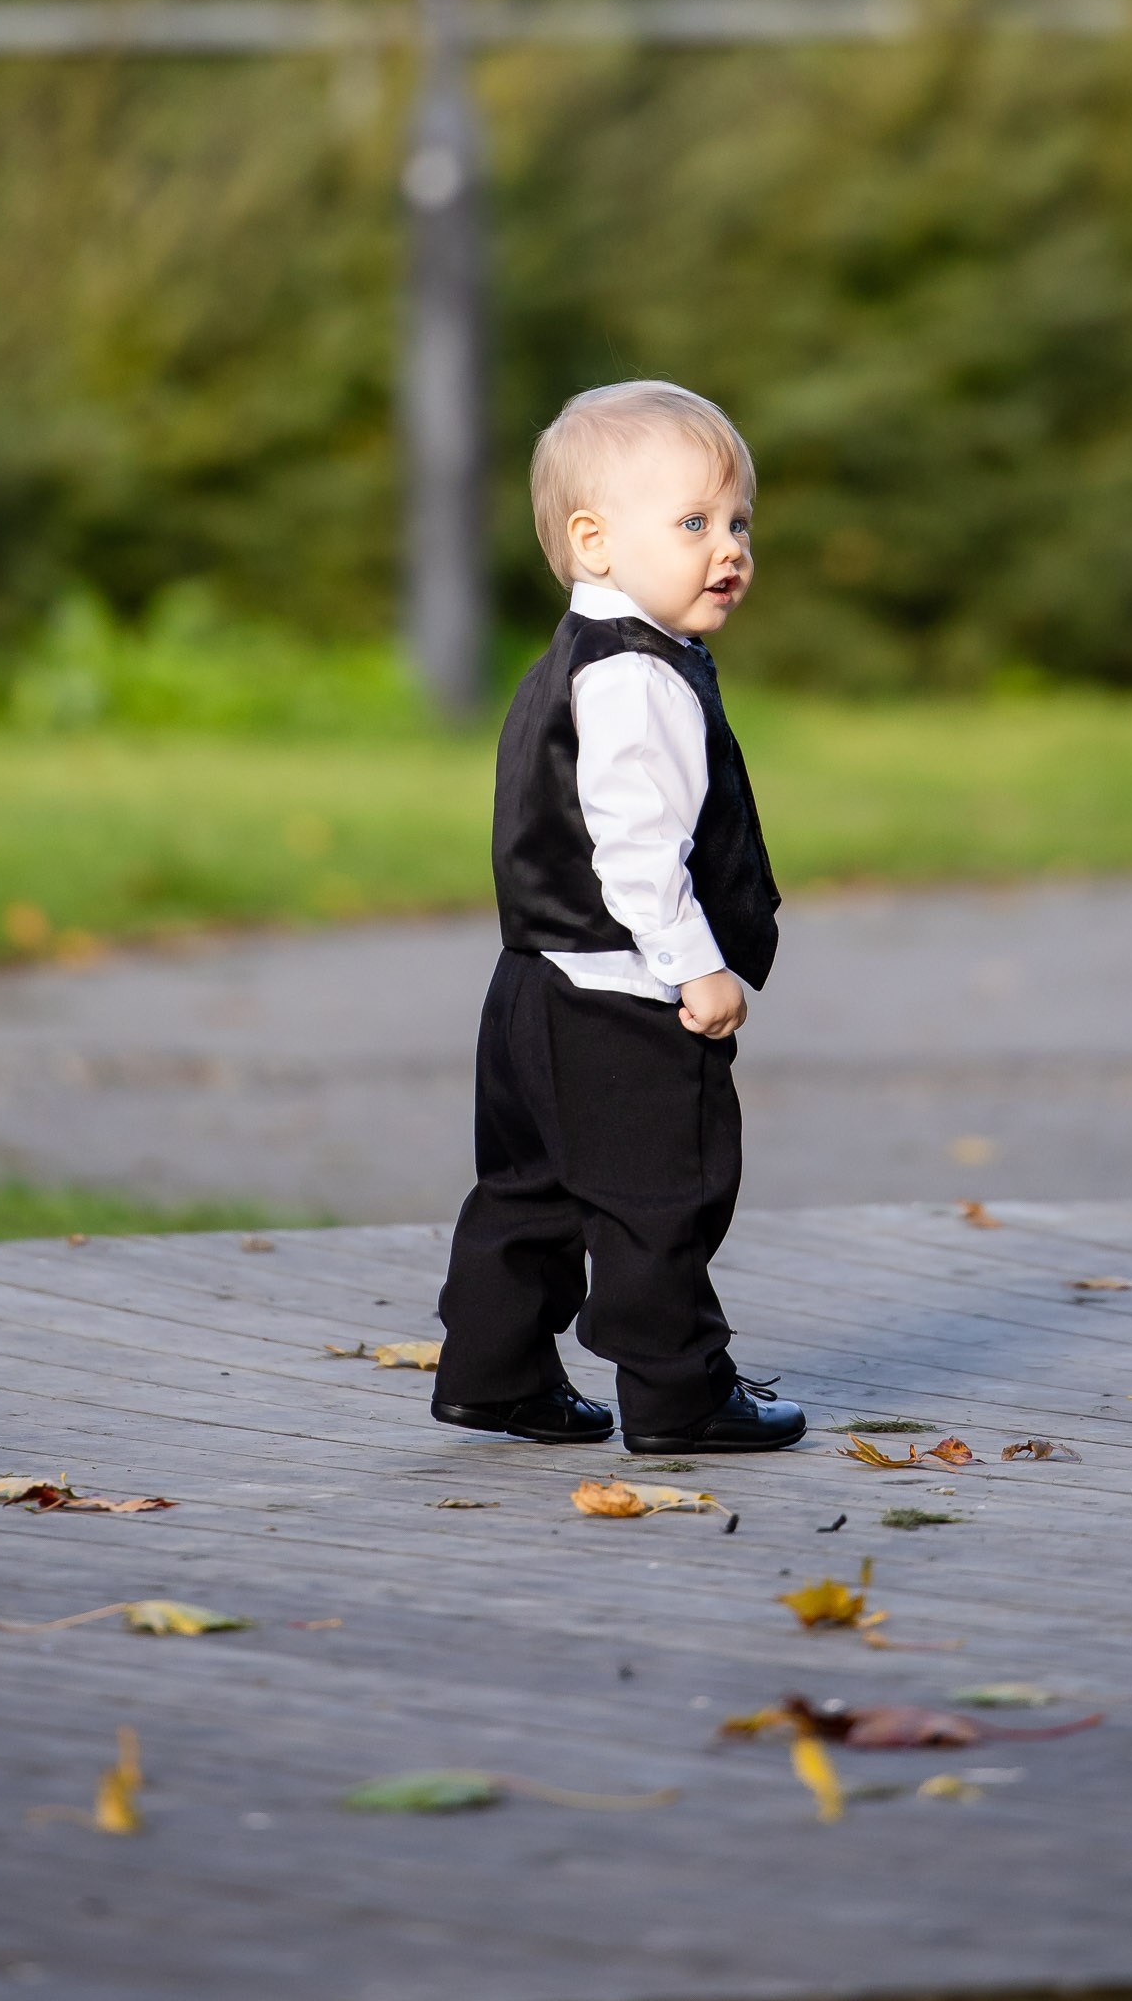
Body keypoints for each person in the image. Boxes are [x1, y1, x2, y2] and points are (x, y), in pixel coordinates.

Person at [431, 379, 806, 1457]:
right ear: (594, 541)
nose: (728, 548)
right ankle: (679, 1395)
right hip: (622, 997)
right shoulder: (640, 678)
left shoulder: (572, 660)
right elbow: (638, 855)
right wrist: (697, 967)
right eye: (693, 523)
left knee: (530, 1192)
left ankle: (495, 1374)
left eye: (738, 523)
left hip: (531, 987)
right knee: (663, 1198)